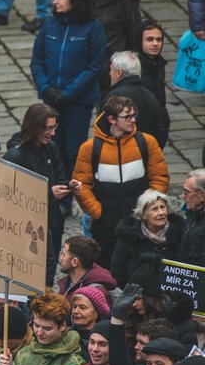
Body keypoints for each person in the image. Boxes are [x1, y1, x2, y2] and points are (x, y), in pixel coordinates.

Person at [71, 94, 169, 267]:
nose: (132, 120)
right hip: (105, 228)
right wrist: (97, 212)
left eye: (133, 115)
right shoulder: (90, 148)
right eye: (127, 117)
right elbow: (81, 184)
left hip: (140, 225)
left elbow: (159, 178)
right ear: (112, 119)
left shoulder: (146, 142)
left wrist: (148, 208)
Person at [33, 0, 108, 174]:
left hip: (78, 102)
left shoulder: (93, 27)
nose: (55, 1)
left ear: (75, 0)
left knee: (75, 151)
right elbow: (37, 61)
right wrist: (45, 88)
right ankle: (60, 197)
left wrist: (68, 93)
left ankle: (79, 191)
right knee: (53, 150)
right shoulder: (49, 25)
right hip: (50, 99)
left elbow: (94, 66)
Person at [3, 103, 72, 286]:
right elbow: (11, 196)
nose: (53, 133)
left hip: (52, 222)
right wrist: (49, 193)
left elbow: (60, 177)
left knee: (49, 272)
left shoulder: (51, 148)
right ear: (35, 127)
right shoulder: (14, 156)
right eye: (48, 128)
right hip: (28, 228)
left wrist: (68, 186)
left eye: (54, 127)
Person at [111, 190, 182, 286]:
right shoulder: (128, 237)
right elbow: (117, 273)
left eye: (163, 207)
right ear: (143, 214)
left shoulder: (180, 234)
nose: (161, 213)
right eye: (155, 209)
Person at [101, 50, 167, 148]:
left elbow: (102, 130)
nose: (110, 73)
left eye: (111, 70)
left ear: (119, 73)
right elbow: (161, 127)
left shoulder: (113, 97)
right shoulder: (149, 95)